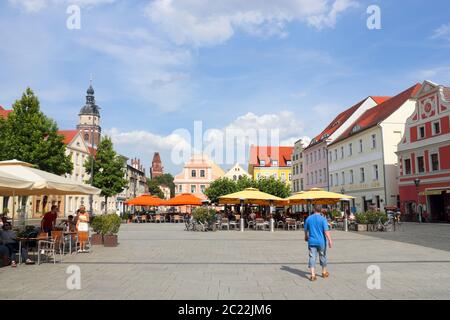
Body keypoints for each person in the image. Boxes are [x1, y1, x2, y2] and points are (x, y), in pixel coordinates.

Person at [304, 205, 333, 281]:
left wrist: (306, 236)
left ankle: (313, 275)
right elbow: (326, 231)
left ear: (314, 210)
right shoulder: (323, 219)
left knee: (312, 257)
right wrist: (330, 240)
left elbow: (306, 229)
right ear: (321, 210)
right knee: (322, 256)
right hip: (321, 242)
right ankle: (324, 272)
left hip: (312, 241)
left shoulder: (309, 218)